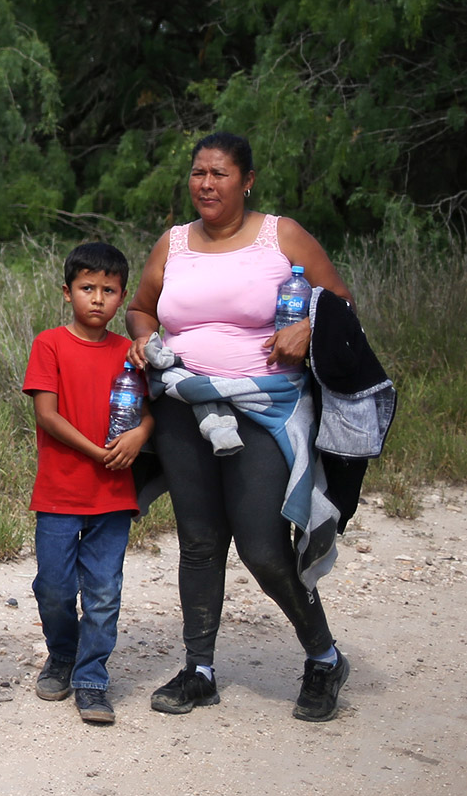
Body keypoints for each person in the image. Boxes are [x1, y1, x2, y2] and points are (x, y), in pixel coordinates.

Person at [123, 132, 354, 722]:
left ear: (247, 181)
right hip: (183, 403)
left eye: (219, 173)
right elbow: (141, 307)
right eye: (198, 173)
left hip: (263, 407)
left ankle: (324, 657)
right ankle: (199, 670)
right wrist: (144, 339)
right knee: (199, 542)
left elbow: (341, 301)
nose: (206, 184)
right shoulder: (174, 243)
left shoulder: (282, 236)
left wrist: (308, 327)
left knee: (262, 544)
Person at [22, 241, 152, 725]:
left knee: (103, 593)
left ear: (122, 297)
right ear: (67, 292)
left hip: (113, 495)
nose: (97, 298)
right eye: (87, 288)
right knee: (53, 588)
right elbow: (47, 415)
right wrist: (97, 452)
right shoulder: (50, 344)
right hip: (60, 492)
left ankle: (92, 678)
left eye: (109, 290)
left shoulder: (129, 353)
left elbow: (150, 411)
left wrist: (139, 434)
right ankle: (62, 653)